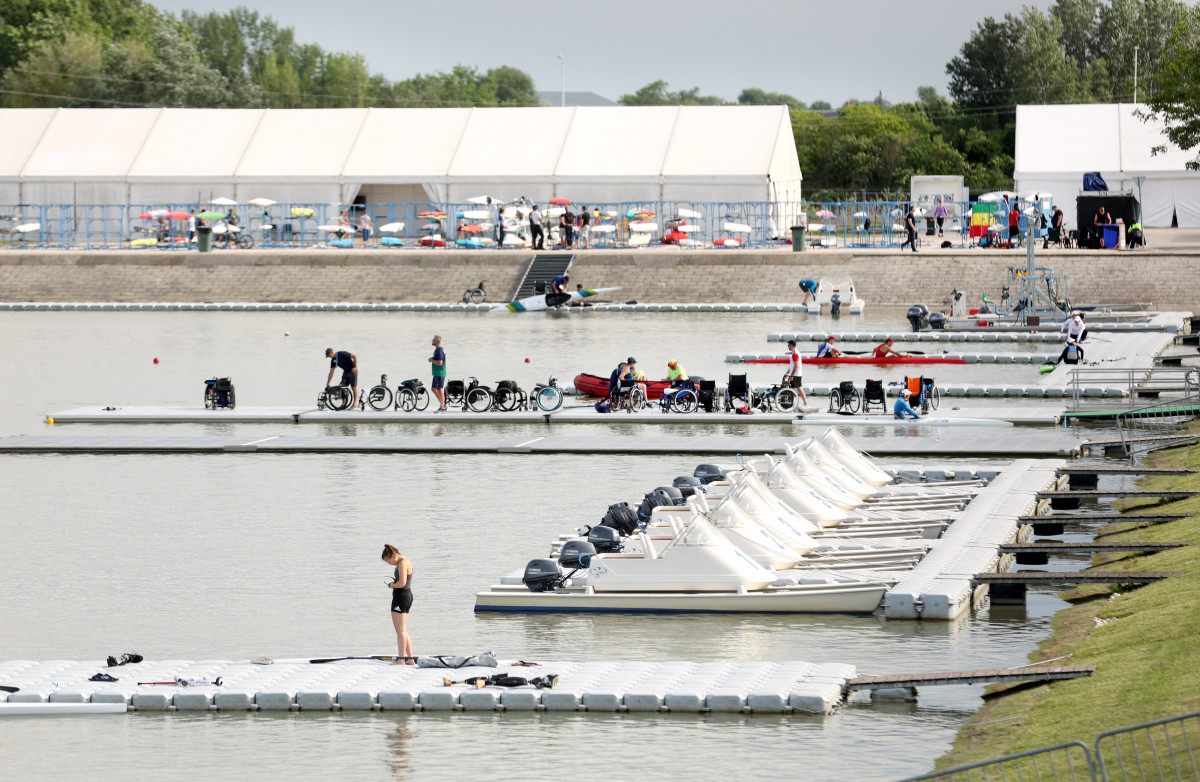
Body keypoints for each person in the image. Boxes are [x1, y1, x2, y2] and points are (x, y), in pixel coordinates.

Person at [381, 544, 414, 665]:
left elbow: (402, 583)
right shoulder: (406, 561)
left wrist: (391, 585)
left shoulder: (402, 563)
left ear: (393, 556)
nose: (389, 564)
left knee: (400, 631)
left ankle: (401, 660)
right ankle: (410, 659)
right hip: (407, 596)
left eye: (389, 561)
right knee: (403, 630)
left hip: (401, 597)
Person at [782, 340, 809, 405]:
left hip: (796, 375)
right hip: (795, 374)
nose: (788, 347)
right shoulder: (795, 353)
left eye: (788, 345)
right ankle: (791, 404)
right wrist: (787, 373)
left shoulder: (795, 354)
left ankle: (805, 404)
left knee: (799, 389)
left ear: (791, 345)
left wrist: (792, 375)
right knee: (792, 389)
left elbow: (796, 366)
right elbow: (792, 366)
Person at [429, 335, 447, 412]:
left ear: (436, 341)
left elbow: (440, 363)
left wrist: (431, 360)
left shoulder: (439, 350)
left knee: (440, 389)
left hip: (440, 373)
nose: (432, 341)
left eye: (433, 340)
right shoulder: (437, 350)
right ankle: (442, 404)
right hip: (436, 373)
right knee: (433, 389)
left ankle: (442, 408)